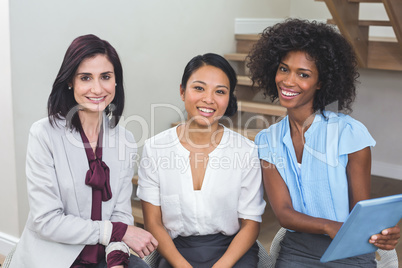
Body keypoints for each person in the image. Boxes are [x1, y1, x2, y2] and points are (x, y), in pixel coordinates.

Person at [248, 19, 400, 267]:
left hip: (348, 249)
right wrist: (328, 226)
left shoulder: (350, 134)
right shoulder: (267, 141)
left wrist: (384, 233)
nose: (288, 81)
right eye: (284, 69)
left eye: (303, 74)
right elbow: (284, 213)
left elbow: (360, 212)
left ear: (321, 82)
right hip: (298, 251)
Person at [10, 34, 158, 268]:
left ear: (116, 81)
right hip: (55, 258)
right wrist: (116, 232)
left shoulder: (126, 140)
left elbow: (121, 214)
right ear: (70, 81)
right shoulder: (43, 134)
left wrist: (117, 260)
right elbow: (46, 221)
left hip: (104, 257)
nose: (97, 88)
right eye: (86, 77)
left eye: (106, 77)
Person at [137, 53, 266, 267]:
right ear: (182, 91)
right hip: (176, 253)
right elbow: (153, 223)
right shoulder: (155, 150)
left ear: (229, 98)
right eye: (199, 88)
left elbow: (251, 224)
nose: (208, 99)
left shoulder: (245, 151)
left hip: (231, 252)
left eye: (220, 92)